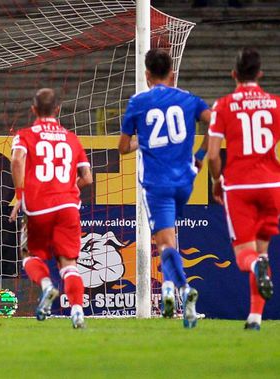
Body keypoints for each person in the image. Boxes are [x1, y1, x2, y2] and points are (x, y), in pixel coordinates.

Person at [118, 48, 211, 328]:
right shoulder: (189, 99)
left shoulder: (138, 101)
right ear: (172, 73)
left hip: (156, 183)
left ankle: (184, 291)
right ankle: (170, 289)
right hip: (186, 180)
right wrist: (202, 157)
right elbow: (216, 123)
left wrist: (139, 141)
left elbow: (123, 147)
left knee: (164, 242)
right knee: (170, 237)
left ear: (146, 75)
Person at [9, 88, 93, 329]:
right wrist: (69, 188)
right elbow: (87, 178)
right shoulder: (71, 138)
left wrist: (20, 196)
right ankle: (77, 312)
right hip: (68, 206)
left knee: (29, 254)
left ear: (33, 109)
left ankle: (46, 287)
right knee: (69, 264)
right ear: (57, 110)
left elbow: (17, 160)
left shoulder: (25, 135)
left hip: (39, 206)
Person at [208, 47, 277, 331]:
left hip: (240, 186)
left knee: (245, 257)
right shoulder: (276, 103)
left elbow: (213, 154)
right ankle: (255, 318)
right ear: (260, 74)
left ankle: (256, 270)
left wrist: (216, 181)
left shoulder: (223, 105)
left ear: (234, 74)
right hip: (273, 186)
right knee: (263, 252)